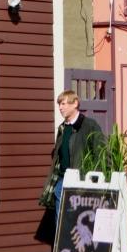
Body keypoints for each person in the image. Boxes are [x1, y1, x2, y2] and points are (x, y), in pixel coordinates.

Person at [37, 91, 105, 229]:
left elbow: (101, 154)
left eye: (63, 104)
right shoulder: (63, 128)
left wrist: (93, 181)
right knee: (61, 222)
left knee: (80, 221)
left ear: (75, 104)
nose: (60, 108)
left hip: (82, 181)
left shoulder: (89, 125)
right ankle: (61, 243)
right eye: (59, 104)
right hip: (62, 181)